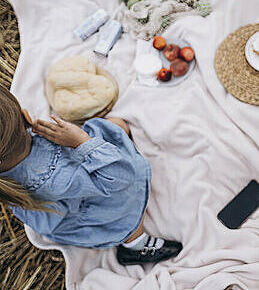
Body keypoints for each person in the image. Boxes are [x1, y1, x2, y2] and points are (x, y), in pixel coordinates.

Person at [0, 86, 182, 265]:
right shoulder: (57, 178)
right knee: (129, 199)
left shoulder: (6, 177)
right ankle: (133, 244)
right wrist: (81, 142)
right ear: (25, 116)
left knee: (116, 126)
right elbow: (121, 177)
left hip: (66, 199)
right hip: (93, 205)